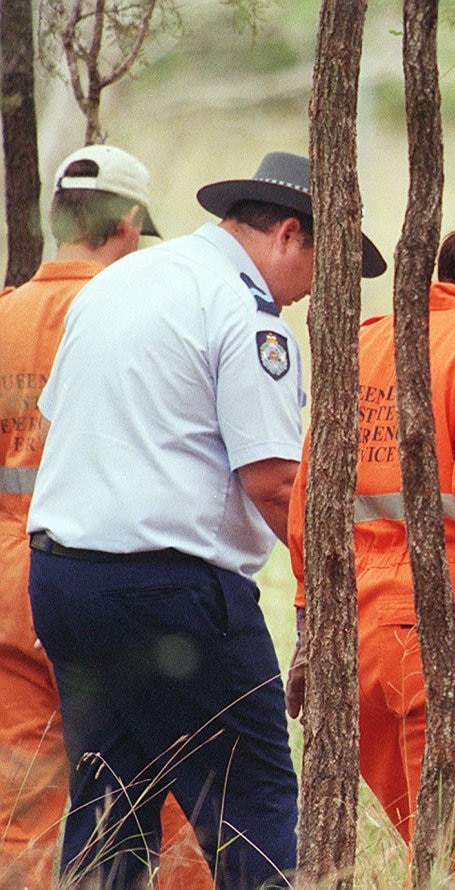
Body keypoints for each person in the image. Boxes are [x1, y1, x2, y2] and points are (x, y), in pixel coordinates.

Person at [25, 150, 386, 886]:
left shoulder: (121, 283)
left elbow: (62, 419)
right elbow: (278, 483)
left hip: (64, 581)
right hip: (172, 596)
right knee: (253, 806)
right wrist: (338, 595)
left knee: (108, 816)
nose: (311, 294)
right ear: (289, 234)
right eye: (324, 267)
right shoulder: (247, 312)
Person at [286, 225, 455, 884]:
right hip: (451, 637)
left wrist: (308, 623)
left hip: (354, 641)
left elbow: (308, 498)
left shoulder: (370, 341)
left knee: (435, 854)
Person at [0, 145, 213, 888]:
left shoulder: (5, 317)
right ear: (127, 223)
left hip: (8, 589)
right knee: (175, 789)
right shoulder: (129, 319)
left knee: (19, 805)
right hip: (104, 582)